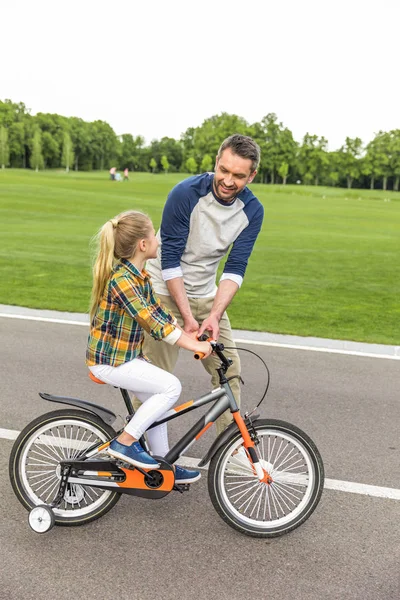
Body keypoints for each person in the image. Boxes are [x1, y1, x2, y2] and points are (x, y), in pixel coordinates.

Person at [139, 134, 263, 436]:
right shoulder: (185, 194)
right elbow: (170, 260)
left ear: (252, 175)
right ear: (216, 162)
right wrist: (188, 319)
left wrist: (213, 316)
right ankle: (138, 445)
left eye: (238, 175)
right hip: (162, 292)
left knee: (229, 370)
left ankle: (229, 448)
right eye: (224, 170)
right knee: (156, 377)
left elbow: (235, 269)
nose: (228, 181)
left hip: (207, 294)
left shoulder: (252, 211)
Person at [86, 210, 212, 483]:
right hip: (110, 361)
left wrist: (193, 335)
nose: (158, 240)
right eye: (154, 234)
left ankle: (161, 464)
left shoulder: (138, 276)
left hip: (126, 357)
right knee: (171, 387)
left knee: (160, 408)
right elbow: (152, 324)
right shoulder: (122, 280)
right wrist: (192, 346)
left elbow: (160, 315)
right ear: (143, 244)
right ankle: (125, 442)